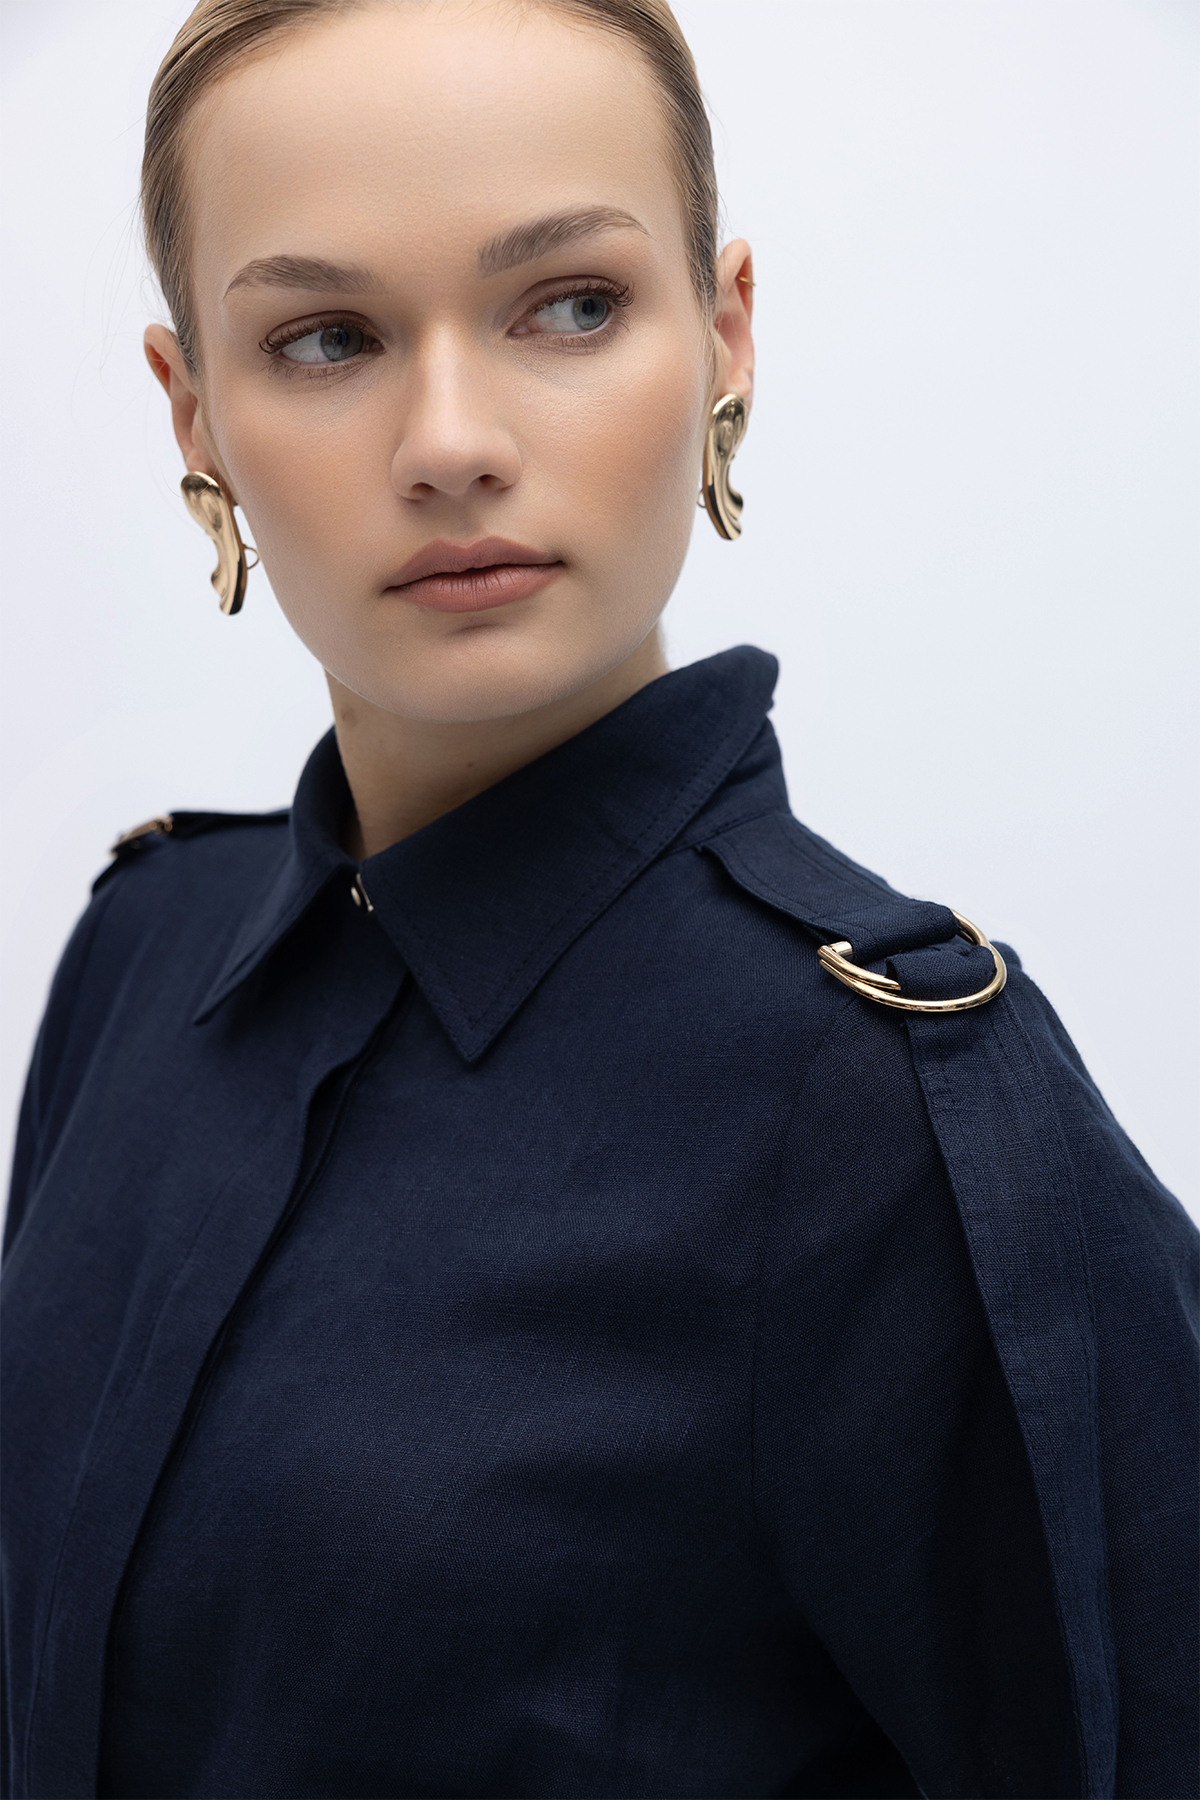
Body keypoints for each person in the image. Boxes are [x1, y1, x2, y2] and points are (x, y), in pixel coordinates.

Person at [2, 2, 1195, 1796]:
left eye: (568, 306)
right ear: (196, 414)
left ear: (724, 336)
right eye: (326, 338)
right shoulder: (141, 947)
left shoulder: (907, 1110)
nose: (451, 442)